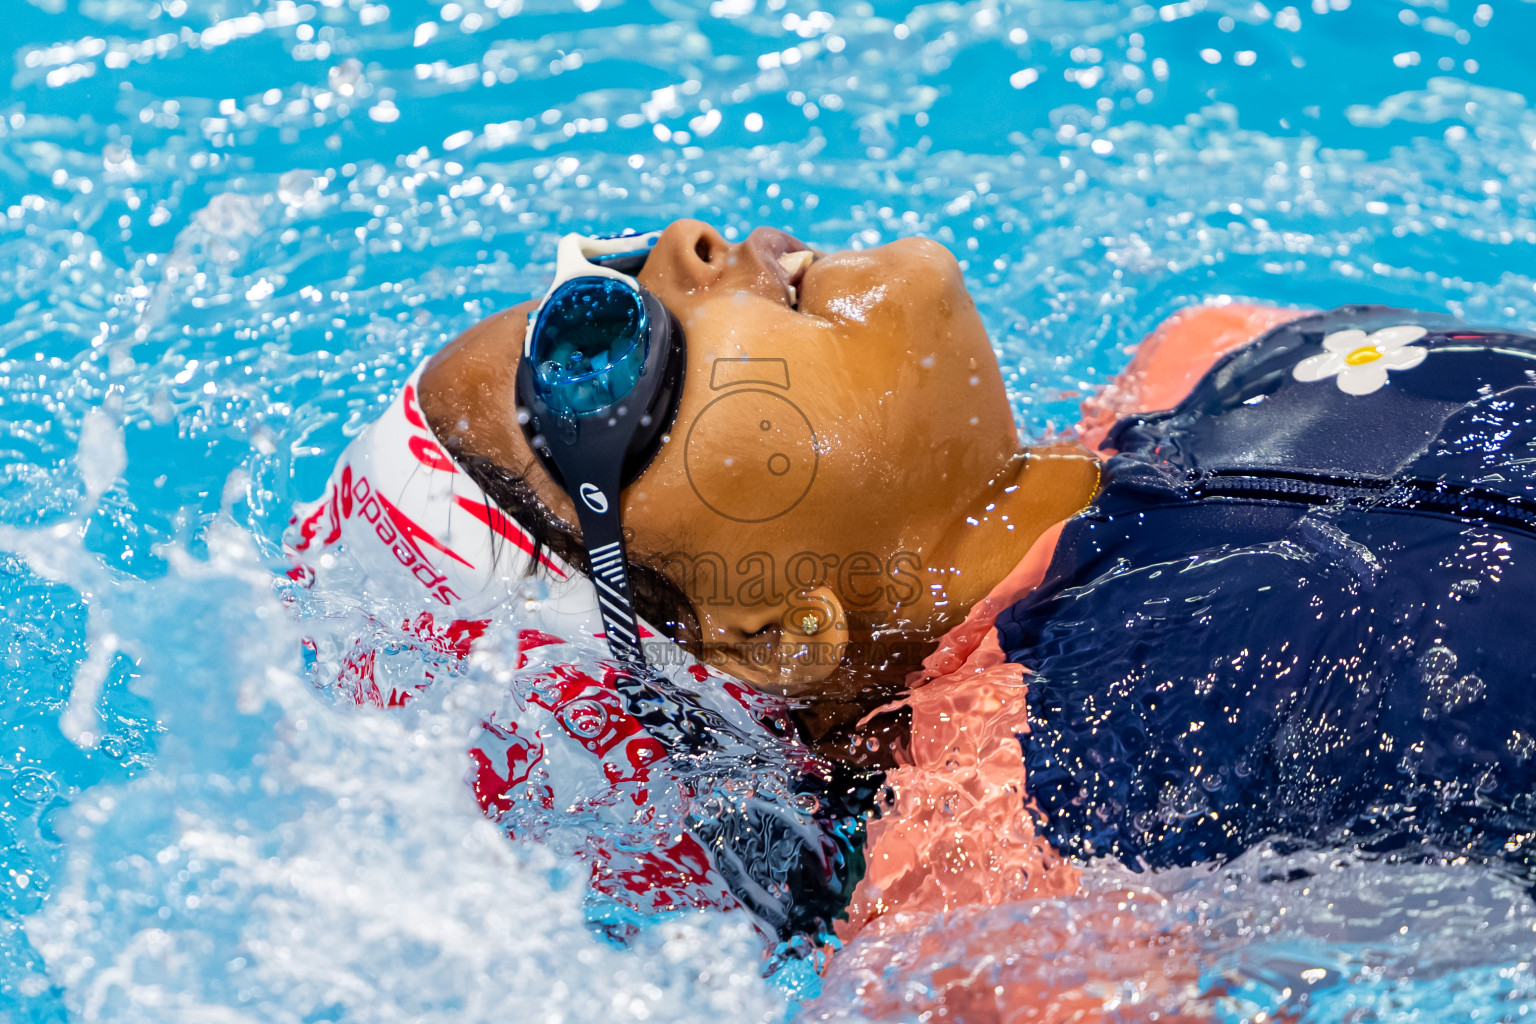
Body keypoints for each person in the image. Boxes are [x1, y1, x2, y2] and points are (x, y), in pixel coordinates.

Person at [286, 218, 1536, 988]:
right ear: (773, 636)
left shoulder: (1203, 358)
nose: (682, 245)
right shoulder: (996, 868)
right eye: (594, 361)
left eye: (601, 275)